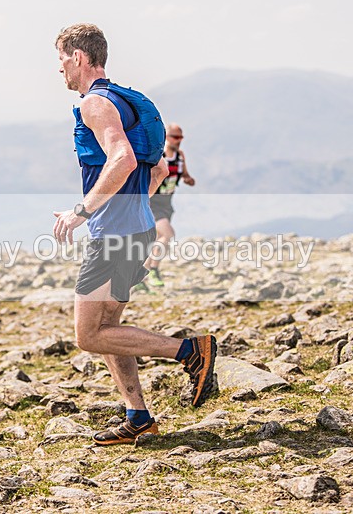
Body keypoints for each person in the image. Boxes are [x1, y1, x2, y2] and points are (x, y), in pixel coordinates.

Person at [52, 23, 218, 445]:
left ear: (78, 58)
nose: (59, 72)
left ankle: (189, 351)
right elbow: (158, 168)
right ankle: (138, 415)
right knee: (109, 328)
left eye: (61, 61)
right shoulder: (129, 100)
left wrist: (80, 212)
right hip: (137, 229)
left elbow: (123, 158)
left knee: (88, 335)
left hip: (114, 237)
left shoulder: (95, 104)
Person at [143, 123, 195, 289]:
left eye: (181, 137)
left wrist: (188, 179)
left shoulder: (180, 156)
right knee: (168, 234)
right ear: (166, 136)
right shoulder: (159, 156)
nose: (179, 141)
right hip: (153, 203)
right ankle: (153, 271)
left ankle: (140, 275)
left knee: (156, 240)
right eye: (175, 137)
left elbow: (184, 174)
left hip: (167, 204)